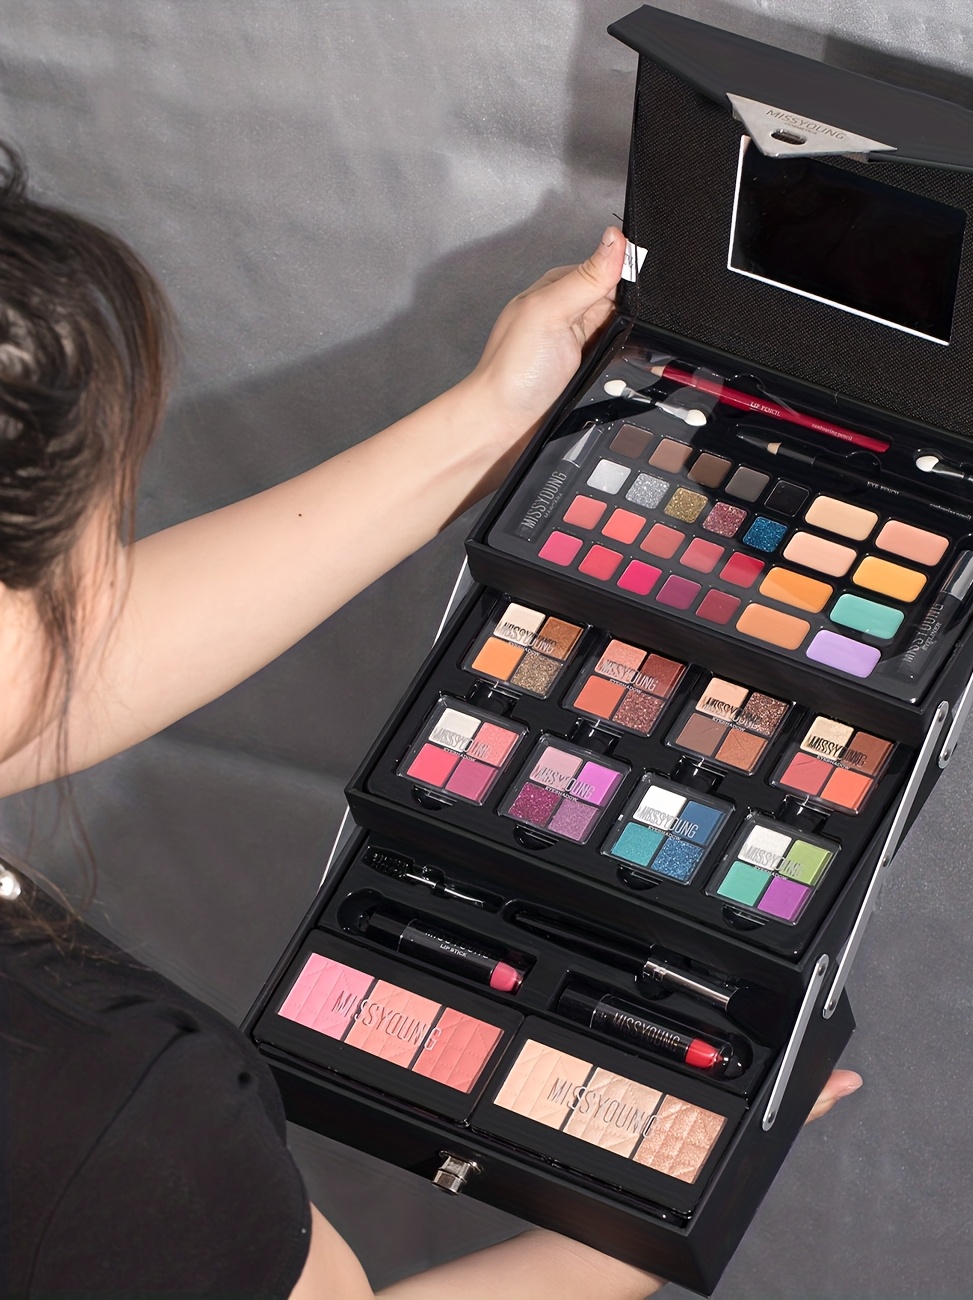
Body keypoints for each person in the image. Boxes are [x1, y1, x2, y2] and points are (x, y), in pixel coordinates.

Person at [0, 143, 862, 1297]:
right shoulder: (123, 1128)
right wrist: (666, 1207)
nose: (108, 587)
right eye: (99, 539)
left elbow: (82, 661)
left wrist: (488, 419)